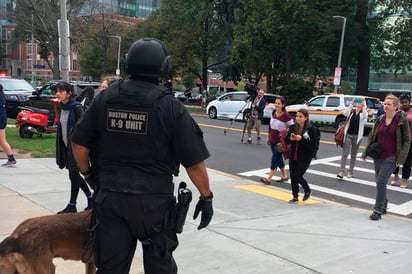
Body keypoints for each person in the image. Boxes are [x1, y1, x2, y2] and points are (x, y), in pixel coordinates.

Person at [71, 38, 213, 273]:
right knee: (160, 267)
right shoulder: (170, 107)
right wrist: (206, 198)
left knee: (110, 268)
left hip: (111, 198)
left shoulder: (105, 99)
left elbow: (78, 144)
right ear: (164, 67)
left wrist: (88, 174)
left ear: (128, 64)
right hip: (154, 206)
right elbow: (194, 163)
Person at [361, 94, 410, 220]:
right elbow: (372, 136)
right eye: (385, 104)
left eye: (389, 104)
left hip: (391, 156)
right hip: (378, 155)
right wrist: (365, 151)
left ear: (396, 107)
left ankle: (377, 210)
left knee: (381, 181)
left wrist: (401, 158)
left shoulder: (401, 120)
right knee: (379, 182)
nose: (385, 106)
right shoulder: (380, 119)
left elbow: (406, 141)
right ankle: (384, 204)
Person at [54, 82, 93, 214]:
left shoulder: (76, 108)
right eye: (57, 91)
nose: (58, 93)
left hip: (76, 147)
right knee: (74, 175)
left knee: (73, 174)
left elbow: (84, 129)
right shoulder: (61, 107)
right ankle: (90, 197)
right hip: (66, 146)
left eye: (61, 91)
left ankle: (72, 204)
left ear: (69, 93)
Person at [285, 109, 317, 203]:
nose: (297, 118)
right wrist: (290, 139)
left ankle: (307, 190)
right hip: (293, 154)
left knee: (298, 175)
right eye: (297, 116)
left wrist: (301, 139)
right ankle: (295, 196)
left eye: (300, 116)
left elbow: (313, 145)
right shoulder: (293, 127)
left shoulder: (311, 129)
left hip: (305, 156)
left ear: (305, 118)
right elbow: (287, 140)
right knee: (293, 176)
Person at [260, 96, 294, 184]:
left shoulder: (286, 116)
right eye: (276, 103)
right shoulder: (274, 112)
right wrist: (268, 136)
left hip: (281, 141)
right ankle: (284, 176)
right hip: (272, 139)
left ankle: (269, 178)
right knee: (278, 158)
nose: (277, 105)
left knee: (274, 158)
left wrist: (286, 137)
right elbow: (270, 126)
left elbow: (292, 128)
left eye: (279, 103)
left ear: (283, 105)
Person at [337, 97, 368, 179]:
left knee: (353, 154)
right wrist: (352, 103)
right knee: (345, 153)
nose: (359, 104)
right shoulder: (351, 112)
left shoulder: (362, 114)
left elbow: (366, 115)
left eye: (360, 103)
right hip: (348, 135)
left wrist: (364, 104)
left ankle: (350, 171)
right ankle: (341, 171)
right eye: (358, 102)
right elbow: (345, 113)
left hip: (357, 136)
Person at [390, 93, 412, 188]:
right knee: (395, 159)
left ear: (409, 102)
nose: (403, 104)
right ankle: (395, 176)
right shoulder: (398, 112)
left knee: (407, 161)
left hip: (409, 141)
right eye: (402, 102)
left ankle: (405, 180)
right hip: (398, 140)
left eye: (405, 102)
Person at [0, 84, 17, 167]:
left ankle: (11, 158)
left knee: (2, 140)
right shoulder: (2, 94)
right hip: (2, 119)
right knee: (2, 140)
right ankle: (11, 158)